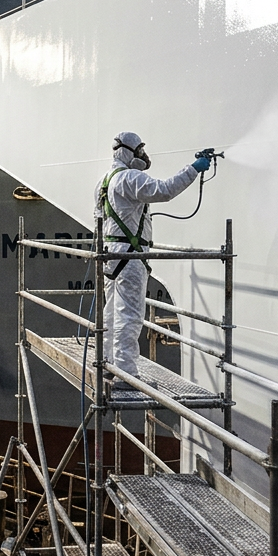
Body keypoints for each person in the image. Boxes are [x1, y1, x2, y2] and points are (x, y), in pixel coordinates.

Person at [95, 131, 210, 389]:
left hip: (112, 257)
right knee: (130, 315)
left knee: (112, 312)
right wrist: (194, 168)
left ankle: (108, 363)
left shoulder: (104, 182)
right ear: (128, 152)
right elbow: (165, 190)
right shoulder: (130, 178)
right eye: (139, 151)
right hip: (131, 257)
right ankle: (125, 373)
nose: (143, 156)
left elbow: (98, 220)